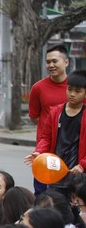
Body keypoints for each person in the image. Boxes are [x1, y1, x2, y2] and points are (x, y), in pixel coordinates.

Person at [25, 69, 86, 197]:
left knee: (78, 212)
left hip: (79, 176)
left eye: (78, 91)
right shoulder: (56, 112)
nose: (72, 94)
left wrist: (82, 165)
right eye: (69, 89)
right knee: (56, 209)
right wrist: (39, 152)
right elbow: (46, 137)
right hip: (55, 173)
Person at [29, 44, 70, 194]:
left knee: (70, 193)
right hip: (45, 151)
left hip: (72, 148)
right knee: (42, 194)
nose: (51, 65)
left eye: (55, 61)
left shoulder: (77, 88)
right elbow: (34, 117)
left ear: (66, 62)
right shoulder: (38, 88)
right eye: (48, 62)